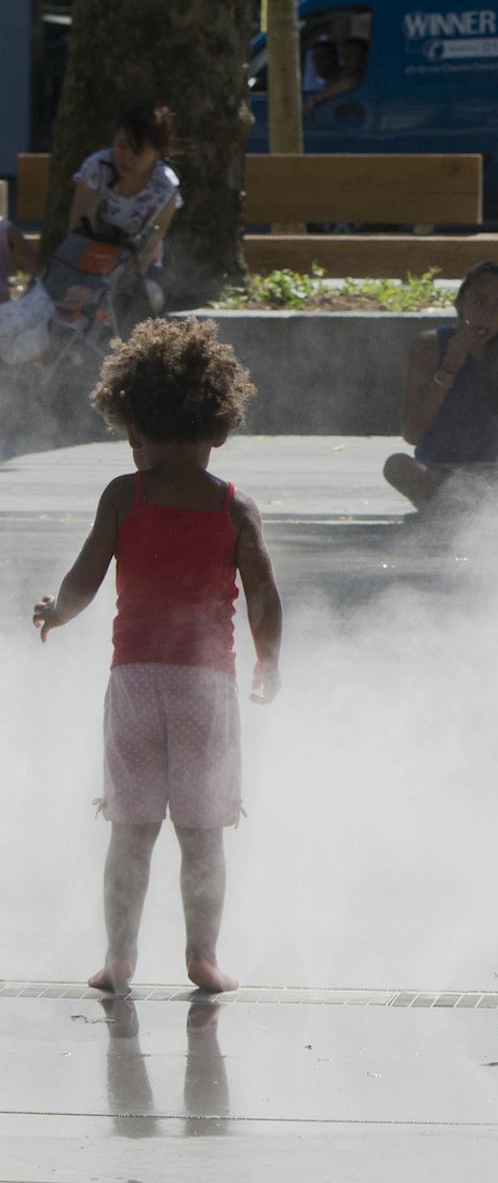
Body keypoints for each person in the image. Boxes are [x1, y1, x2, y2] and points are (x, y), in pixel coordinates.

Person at [30, 318, 282, 996]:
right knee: (203, 836)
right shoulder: (233, 506)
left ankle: (119, 958)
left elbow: (85, 578)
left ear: (133, 426)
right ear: (219, 428)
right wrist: (269, 662)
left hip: (136, 683)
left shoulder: (125, 494)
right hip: (205, 686)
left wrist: (58, 611)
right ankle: (203, 956)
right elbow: (264, 597)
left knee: (131, 830)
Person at [382, 261, 498, 511]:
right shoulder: (430, 346)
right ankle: (491, 511)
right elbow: (412, 433)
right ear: (461, 303)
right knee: (397, 466)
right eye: (480, 302)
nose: (487, 316)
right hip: (449, 474)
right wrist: (450, 366)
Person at [0, 105, 182, 363]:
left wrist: (99, 292)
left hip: (132, 272)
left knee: (131, 308)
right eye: (120, 146)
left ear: (157, 152)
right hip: (81, 263)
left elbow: (144, 255)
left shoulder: (166, 188)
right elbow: (79, 231)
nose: (125, 156)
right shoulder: (97, 167)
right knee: (23, 318)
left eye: (136, 150)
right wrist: (81, 282)